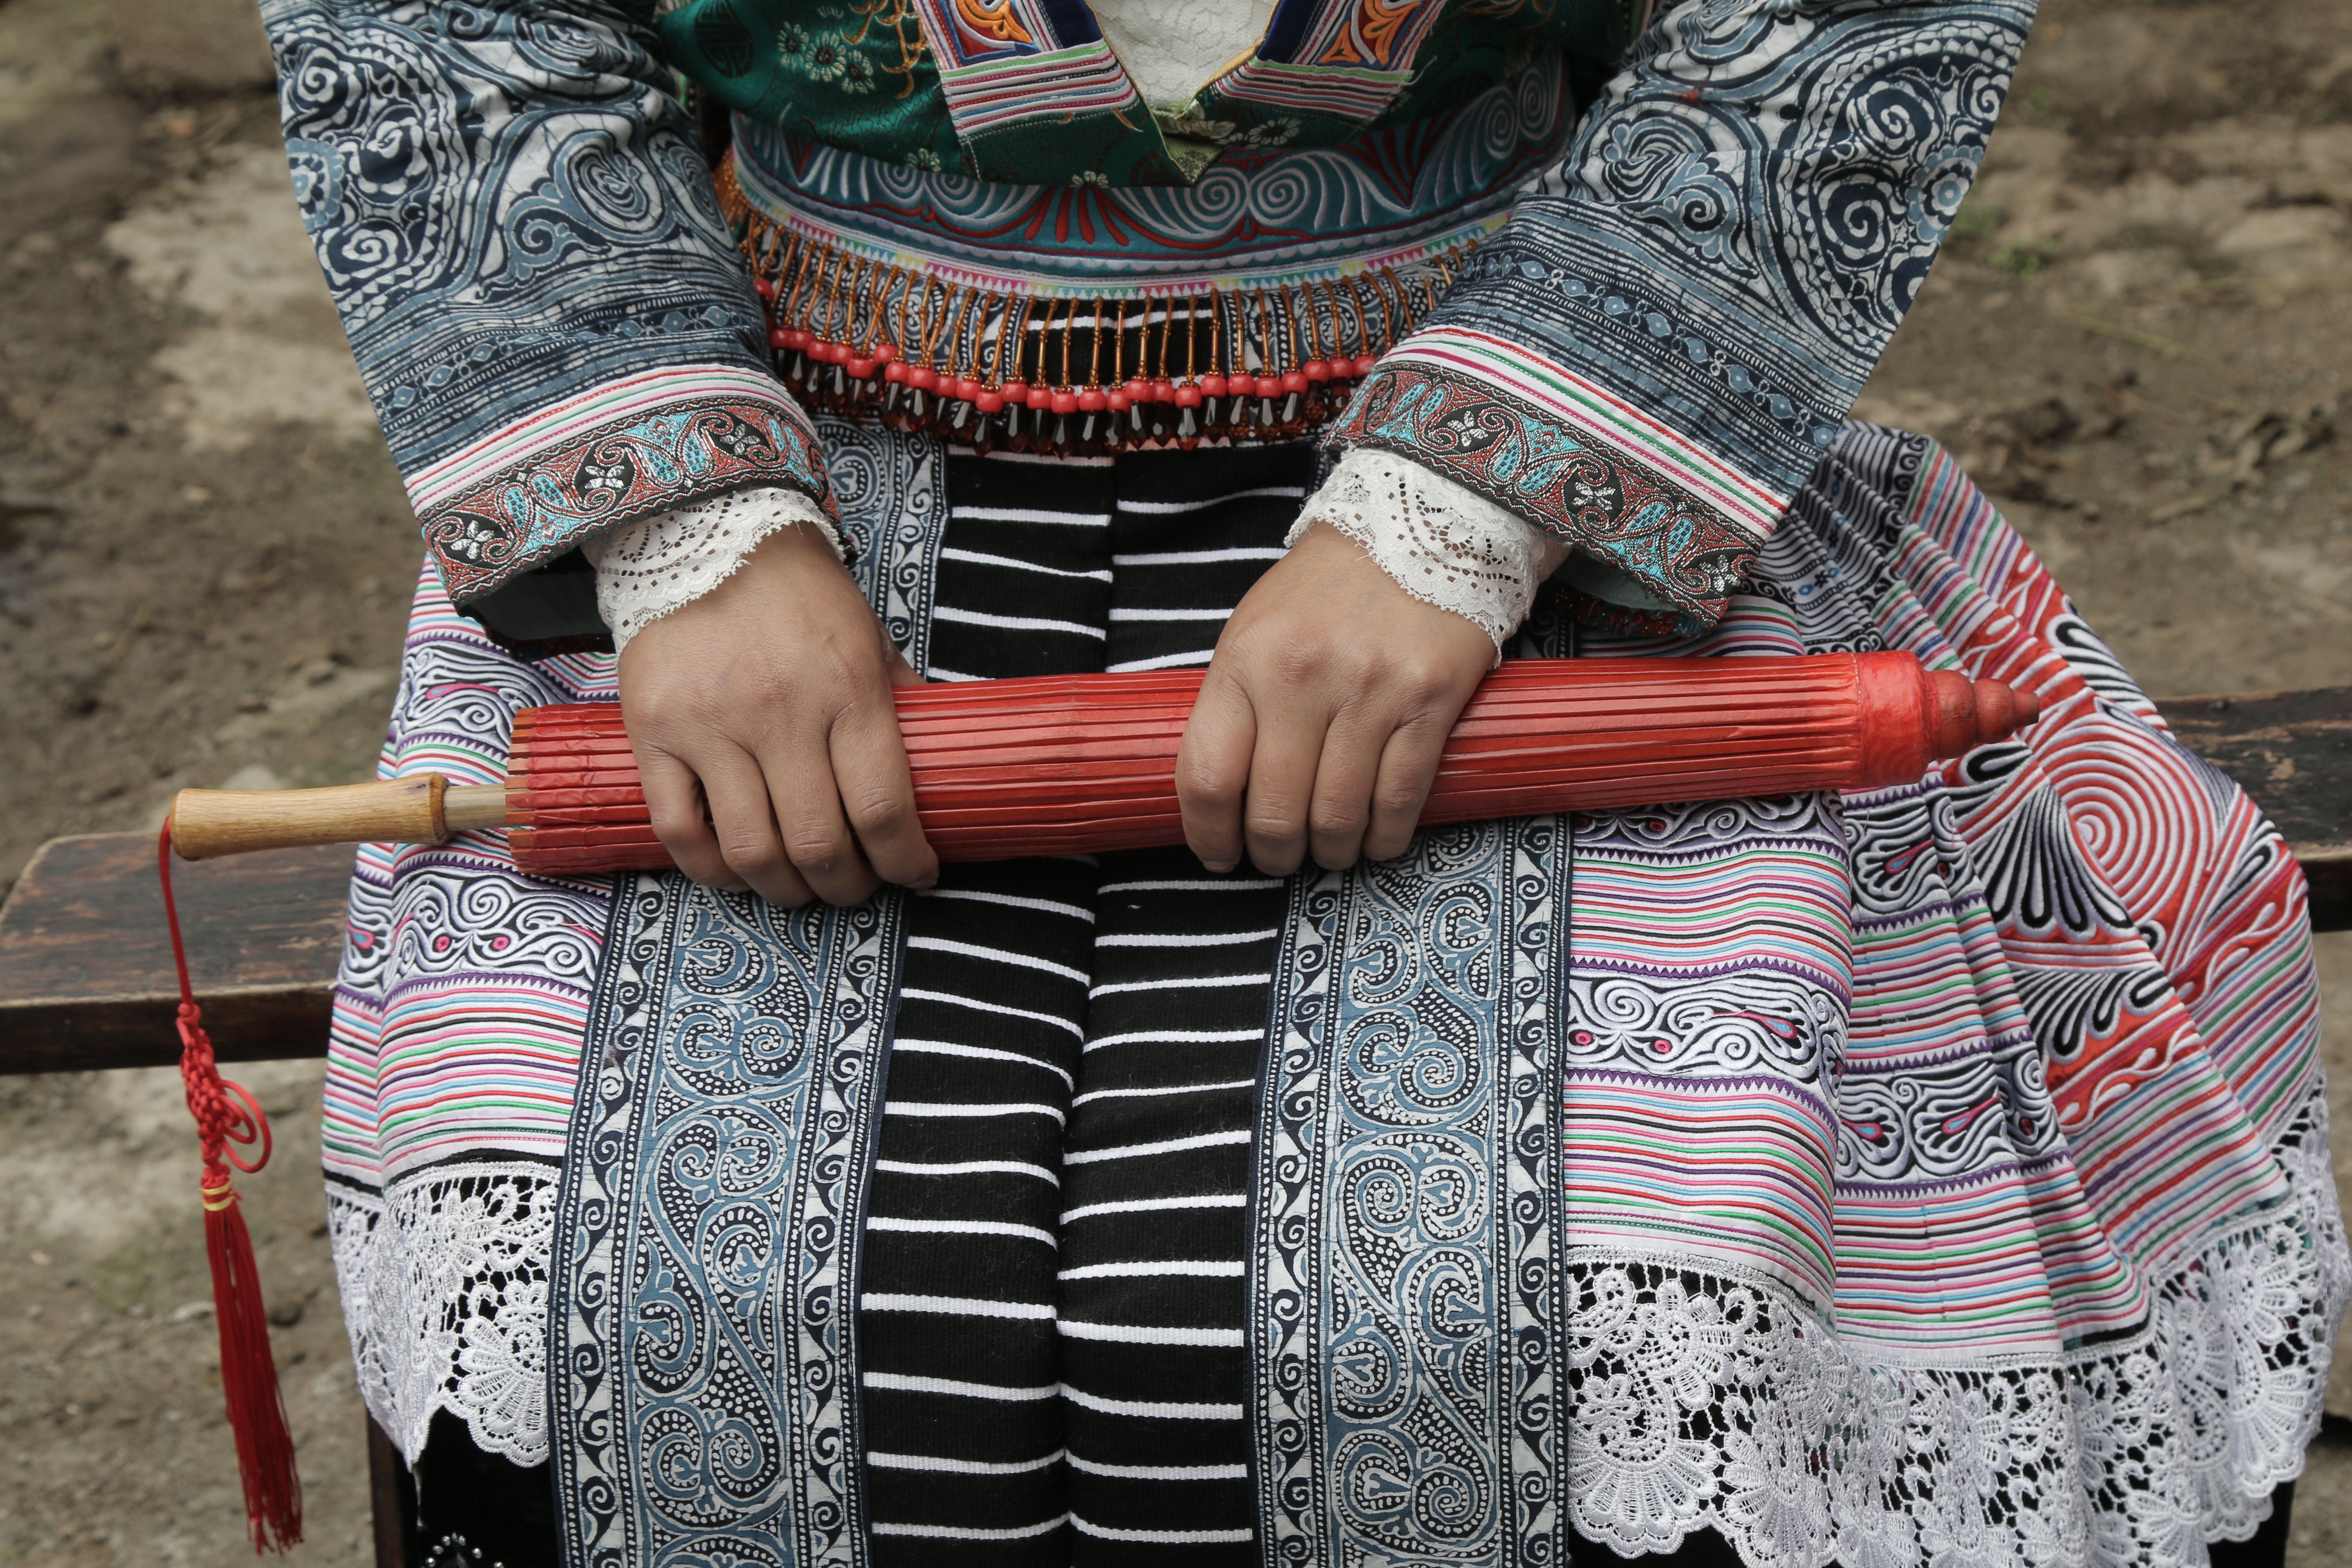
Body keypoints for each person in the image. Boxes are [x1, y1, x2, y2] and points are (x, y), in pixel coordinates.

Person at [263, 0, 2343, 1564]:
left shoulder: (1507, 494)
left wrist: (1462, 510)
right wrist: (688, 531)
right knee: (683, 1290)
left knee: (1580, 1294)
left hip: (1554, 474)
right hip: (761, 540)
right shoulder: (709, 553)